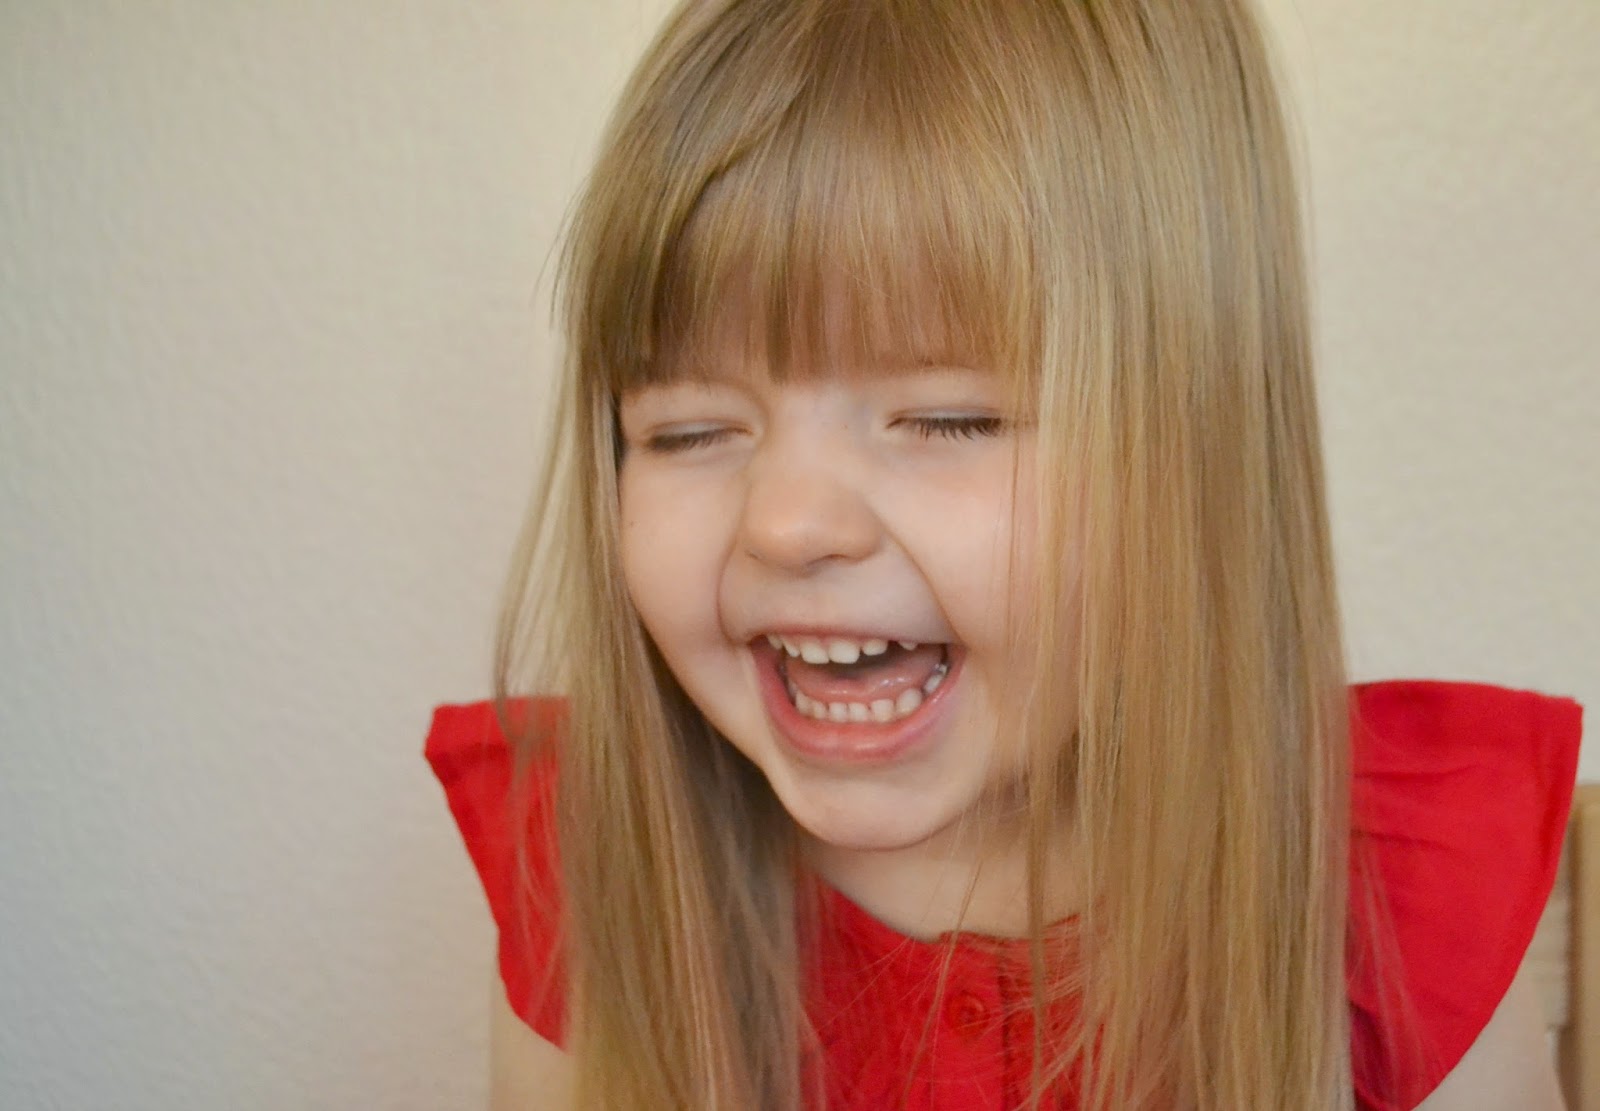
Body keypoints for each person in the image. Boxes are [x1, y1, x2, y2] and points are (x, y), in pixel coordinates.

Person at [426, 1, 1583, 1107]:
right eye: (688, 431)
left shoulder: (1406, 892)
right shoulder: (588, 869)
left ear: (1201, 449)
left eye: (950, 420)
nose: (786, 524)